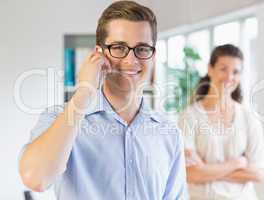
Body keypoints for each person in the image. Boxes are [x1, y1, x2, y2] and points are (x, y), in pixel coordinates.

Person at [19, 1, 187, 199]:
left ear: (153, 55)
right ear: (99, 53)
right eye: (119, 47)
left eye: (142, 49)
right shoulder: (61, 118)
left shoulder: (169, 133)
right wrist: (83, 93)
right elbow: (36, 179)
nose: (131, 61)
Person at [178, 44, 264, 200]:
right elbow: (191, 173)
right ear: (210, 69)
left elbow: (258, 173)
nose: (229, 77)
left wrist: (206, 170)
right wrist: (237, 163)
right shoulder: (189, 116)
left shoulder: (248, 118)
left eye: (236, 72)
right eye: (223, 69)